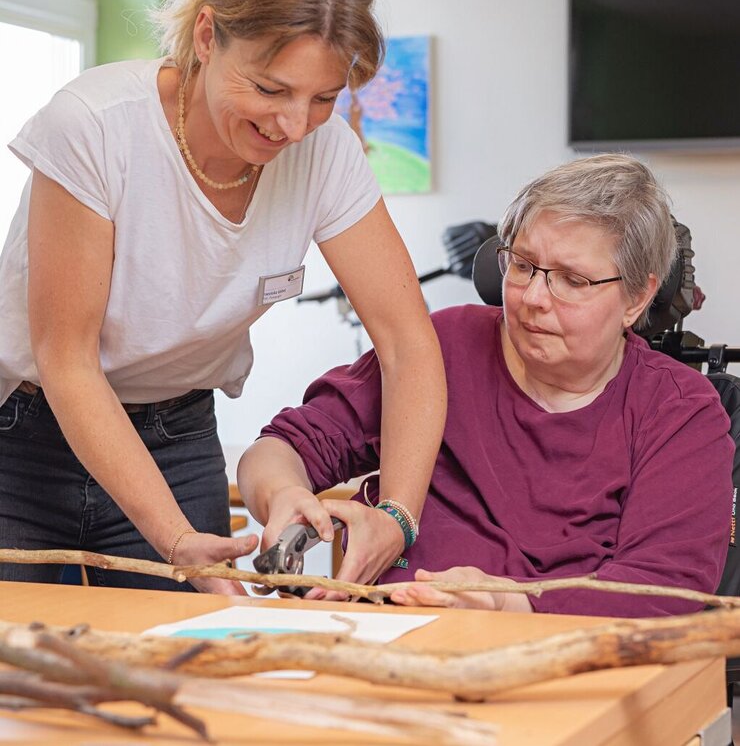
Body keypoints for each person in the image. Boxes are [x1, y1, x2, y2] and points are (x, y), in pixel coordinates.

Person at [0, 0, 446, 594]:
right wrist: (173, 536)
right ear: (207, 36)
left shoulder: (323, 154)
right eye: (271, 90)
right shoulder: (94, 127)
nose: (294, 125)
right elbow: (68, 358)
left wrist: (398, 513)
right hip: (25, 436)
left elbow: (407, 342)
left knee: (195, 670)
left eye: (324, 98)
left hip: (177, 434)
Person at [239, 154, 734, 616]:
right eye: (522, 265)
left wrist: (507, 603)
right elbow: (281, 446)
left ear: (636, 297)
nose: (534, 297)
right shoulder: (443, 346)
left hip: (564, 677)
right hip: (392, 646)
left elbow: (666, 591)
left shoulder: (678, 410)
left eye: (572, 280)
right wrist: (282, 493)